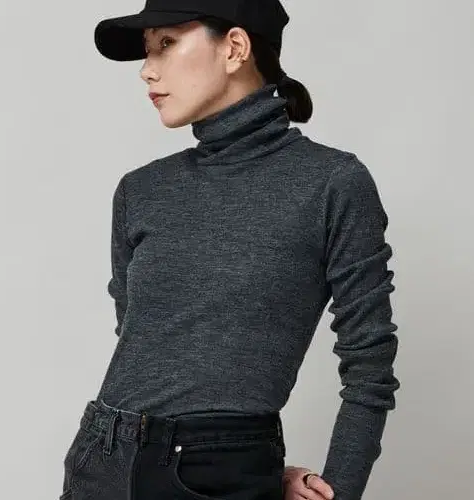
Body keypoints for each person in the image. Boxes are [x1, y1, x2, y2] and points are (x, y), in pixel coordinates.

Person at [58, 1, 400, 499]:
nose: (147, 70)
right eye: (148, 51)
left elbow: (370, 362)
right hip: (103, 456)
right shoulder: (141, 190)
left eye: (166, 43)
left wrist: (324, 484)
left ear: (235, 47)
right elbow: (144, 340)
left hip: (224, 465)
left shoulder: (331, 183)